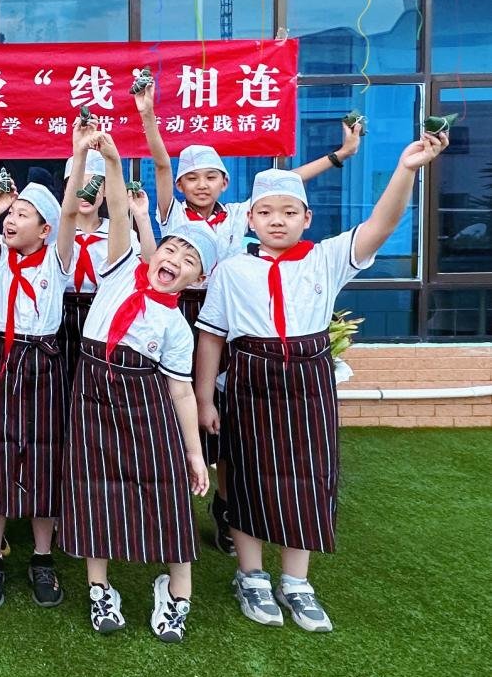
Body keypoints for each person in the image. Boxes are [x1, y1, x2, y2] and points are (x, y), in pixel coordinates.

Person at [195, 133, 448, 634]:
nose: (278, 221)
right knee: (246, 476)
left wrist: (406, 169)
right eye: (266, 212)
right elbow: (211, 338)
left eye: (289, 212)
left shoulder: (326, 258)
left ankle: (296, 582)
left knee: (308, 478)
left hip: (309, 382)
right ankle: (250, 575)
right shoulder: (231, 271)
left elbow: (381, 225)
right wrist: (205, 398)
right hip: (248, 379)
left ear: (306, 218)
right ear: (250, 220)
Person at [134, 81, 363, 551]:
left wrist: (339, 156)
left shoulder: (242, 214)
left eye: (210, 176)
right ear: (179, 186)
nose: (200, 184)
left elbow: (288, 183)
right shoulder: (171, 212)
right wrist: (148, 115)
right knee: (169, 409)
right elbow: (159, 163)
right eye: (191, 178)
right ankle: (166, 507)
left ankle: (227, 508)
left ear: (225, 182)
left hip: (225, 323)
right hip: (175, 311)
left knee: (225, 420)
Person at [60, 124, 215, 643]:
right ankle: (99, 589)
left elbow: (181, 392)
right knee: (93, 492)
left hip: (145, 408)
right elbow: (121, 217)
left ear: (197, 279)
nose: (174, 260)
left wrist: (194, 454)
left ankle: (177, 594)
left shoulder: (177, 327)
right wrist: (111, 160)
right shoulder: (122, 269)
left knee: (167, 494)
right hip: (92, 395)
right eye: (172, 250)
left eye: (189, 261)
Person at [0, 130, 77, 611]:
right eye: (10, 214)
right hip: (2, 358)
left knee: (45, 454)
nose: (11, 220)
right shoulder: (0, 259)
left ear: (45, 228)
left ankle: (42, 556)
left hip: (44, 360)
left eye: (22, 215)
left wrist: (79, 154)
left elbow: (70, 214)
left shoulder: (57, 260)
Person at [59, 146, 152, 376]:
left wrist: (142, 218)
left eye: (95, 184)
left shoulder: (119, 232)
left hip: (104, 311)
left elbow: (148, 266)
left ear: (106, 190)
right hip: (60, 312)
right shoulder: (55, 232)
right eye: (78, 184)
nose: (86, 192)